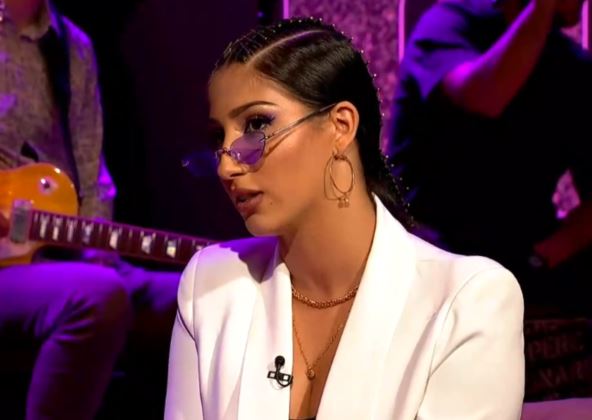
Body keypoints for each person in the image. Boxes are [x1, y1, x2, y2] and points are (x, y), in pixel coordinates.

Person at [165, 18, 524, 420]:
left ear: (341, 126)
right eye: (219, 138)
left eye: (256, 125)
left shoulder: (469, 301)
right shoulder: (209, 287)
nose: (226, 166)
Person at [0, 0, 180, 418]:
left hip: (56, 251)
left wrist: (98, 240)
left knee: (206, 295)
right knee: (96, 295)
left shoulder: (72, 45)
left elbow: (91, 173)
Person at [389, 0, 592, 316]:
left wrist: (545, 256)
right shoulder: (450, 25)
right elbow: (486, 95)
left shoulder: (573, 66)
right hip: (431, 251)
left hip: (521, 259)